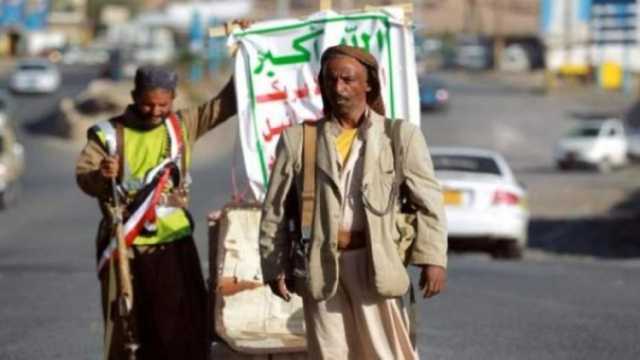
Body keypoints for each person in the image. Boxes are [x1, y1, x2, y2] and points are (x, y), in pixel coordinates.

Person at [259, 45, 448, 359]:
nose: (339, 88)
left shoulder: (399, 137)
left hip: (376, 264)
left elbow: (429, 202)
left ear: (368, 83)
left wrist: (434, 259)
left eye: (347, 79)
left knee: (387, 353)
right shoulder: (299, 139)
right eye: (331, 80)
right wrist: (274, 265)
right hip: (320, 267)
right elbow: (275, 210)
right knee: (330, 353)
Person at [76, 19, 251, 358]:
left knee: (179, 328)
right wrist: (101, 173)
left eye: (162, 104)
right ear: (133, 97)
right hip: (125, 247)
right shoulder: (108, 135)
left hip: (173, 246)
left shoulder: (183, 124)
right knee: (127, 328)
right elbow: (84, 175)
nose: (155, 111)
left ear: (173, 99)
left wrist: (243, 50)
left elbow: (227, 103)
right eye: (147, 105)